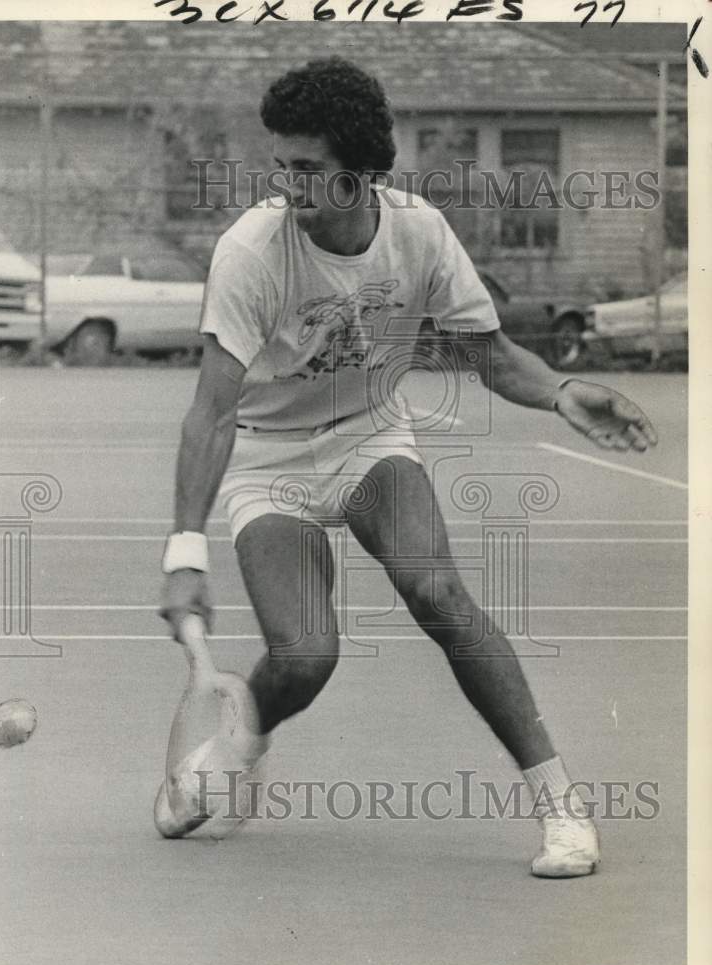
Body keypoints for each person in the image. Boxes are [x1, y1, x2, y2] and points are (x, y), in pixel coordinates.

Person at [158, 56, 658, 875]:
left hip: (369, 436)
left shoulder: (420, 233)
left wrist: (563, 391)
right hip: (268, 455)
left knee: (441, 592)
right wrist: (184, 551)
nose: (288, 185)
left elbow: (490, 356)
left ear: (361, 177)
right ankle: (235, 744)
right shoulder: (251, 250)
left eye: (308, 169)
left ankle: (561, 806)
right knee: (308, 655)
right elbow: (211, 412)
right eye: (280, 163)